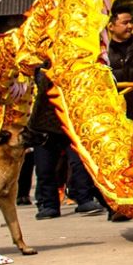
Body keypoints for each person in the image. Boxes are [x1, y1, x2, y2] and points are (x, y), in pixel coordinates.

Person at [26, 67, 104, 218]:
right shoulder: (41, 68)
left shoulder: (77, 66)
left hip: (71, 124)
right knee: (44, 168)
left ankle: (85, 199)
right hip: (43, 126)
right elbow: (43, 85)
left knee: (79, 163)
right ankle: (49, 205)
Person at [103, 2, 133, 223]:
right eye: (125, 22)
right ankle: (117, 204)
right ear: (111, 26)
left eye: (132, 22)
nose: (130, 26)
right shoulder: (103, 54)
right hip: (112, 114)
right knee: (116, 160)